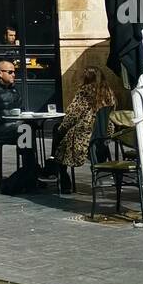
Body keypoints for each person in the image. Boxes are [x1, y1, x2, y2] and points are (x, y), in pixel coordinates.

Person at [52, 66, 118, 194]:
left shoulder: (84, 93)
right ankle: (53, 166)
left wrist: (61, 129)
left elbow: (72, 116)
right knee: (59, 135)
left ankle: (61, 176)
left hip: (84, 137)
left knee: (58, 134)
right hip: (103, 137)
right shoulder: (109, 93)